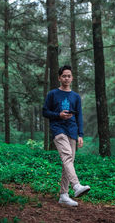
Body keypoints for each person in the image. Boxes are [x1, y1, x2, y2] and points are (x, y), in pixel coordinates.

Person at [42, 65, 90, 207]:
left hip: (72, 131)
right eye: (64, 76)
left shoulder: (75, 96)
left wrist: (80, 134)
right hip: (58, 129)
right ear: (59, 78)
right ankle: (76, 186)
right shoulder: (52, 94)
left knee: (67, 162)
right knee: (67, 156)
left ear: (72, 78)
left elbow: (79, 116)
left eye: (69, 76)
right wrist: (58, 115)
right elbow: (45, 111)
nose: (66, 78)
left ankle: (64, 195)